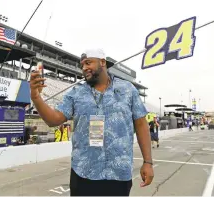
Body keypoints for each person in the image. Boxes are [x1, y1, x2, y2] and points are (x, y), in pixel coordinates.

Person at [30, 48, 154, 196]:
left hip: (119, 174)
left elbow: (141, 125)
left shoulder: (127, 89)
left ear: (102, 62)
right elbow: (53, 120)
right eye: (82, 65)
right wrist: (36, 97)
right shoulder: (75, 93)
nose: (84, 68)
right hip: (83, 173)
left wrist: (148, 162)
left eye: (88, 63)